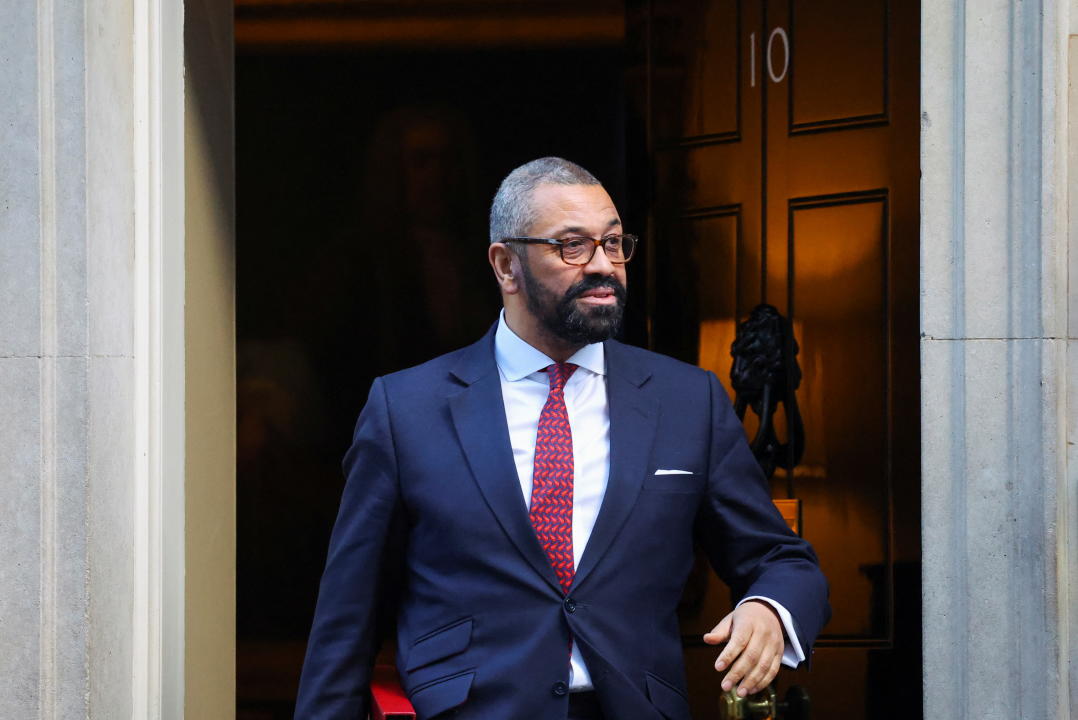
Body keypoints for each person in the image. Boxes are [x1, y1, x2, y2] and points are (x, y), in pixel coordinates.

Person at [294, 158, 830, 720]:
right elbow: (347, 618)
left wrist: (770, 609)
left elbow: (781, 559)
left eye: (615, 243)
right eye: (573, 246)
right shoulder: (406, 409)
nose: (605, 266)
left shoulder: (686, 400)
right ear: (507, 265)